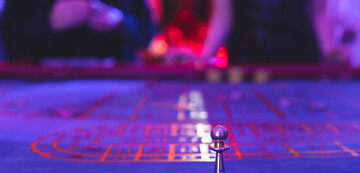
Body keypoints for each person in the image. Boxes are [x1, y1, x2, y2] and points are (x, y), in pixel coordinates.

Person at [167, 0, 349, 64]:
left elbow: (317, 13)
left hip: (299, 64)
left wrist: (329, 52)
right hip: (247, 65)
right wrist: (205, 56)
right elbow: (223, 17)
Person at [2, 0, 155, 62]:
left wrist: (121, 22)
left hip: (116, 82)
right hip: (44, 83)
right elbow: (9, 40)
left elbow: (148, 34)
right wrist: (47, 22)